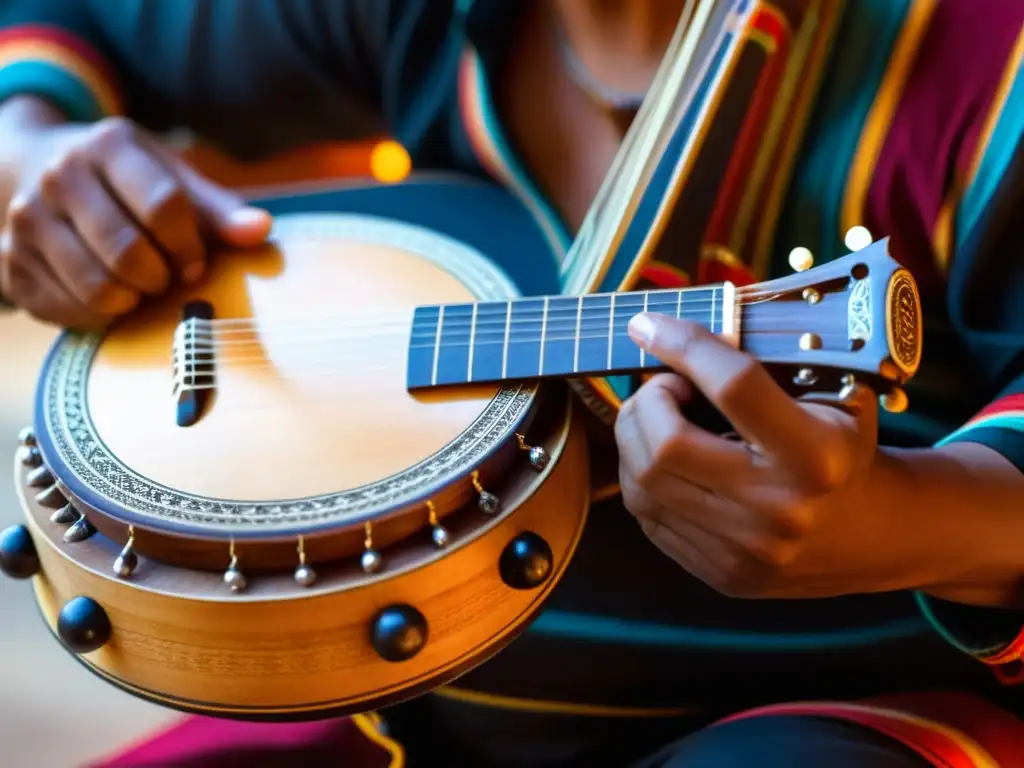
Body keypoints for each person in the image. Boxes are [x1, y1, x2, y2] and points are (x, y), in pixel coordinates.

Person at [0, 0, 1022, 765]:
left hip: (865, 727)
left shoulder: (981, 60)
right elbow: (68, 21)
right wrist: (33, 154)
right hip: (409, 702)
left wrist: (902, 516)